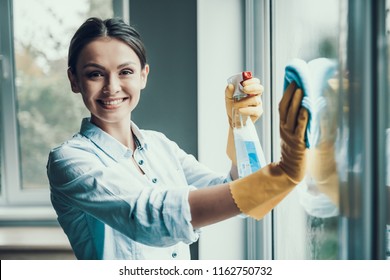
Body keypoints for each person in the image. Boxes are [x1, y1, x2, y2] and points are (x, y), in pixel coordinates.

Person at [47, 17, 308, 260]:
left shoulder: (160, 145)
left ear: (143, 75)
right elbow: (150, 219)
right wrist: (282, 174)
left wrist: (240, 128)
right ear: (74, 80)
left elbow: (233, 191)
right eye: (95, 73)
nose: (112, 87)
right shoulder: (69, 160)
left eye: (125, 72)